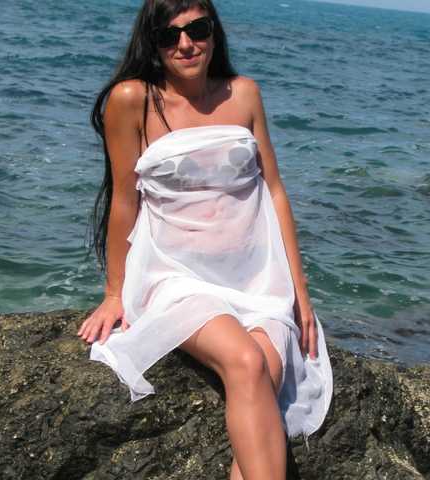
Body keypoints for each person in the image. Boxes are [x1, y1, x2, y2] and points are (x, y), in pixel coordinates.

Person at [77, 1, 333, 479]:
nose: (186, 44)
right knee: (247, 362)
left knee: (265, 373)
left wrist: (299, 290)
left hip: (259, 278)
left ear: (214, 33)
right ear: (152, 43)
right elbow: (124, 202)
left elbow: (275, 190)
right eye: (169, 35)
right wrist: (114, 293)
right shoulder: (132, 99)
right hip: (175, 275)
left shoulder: (245, 93)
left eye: (197, 29)